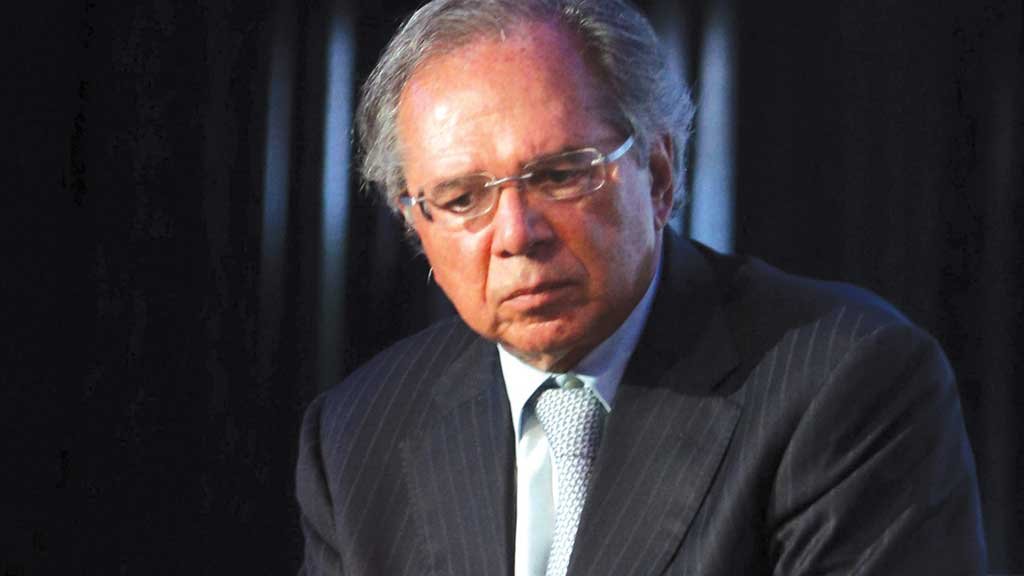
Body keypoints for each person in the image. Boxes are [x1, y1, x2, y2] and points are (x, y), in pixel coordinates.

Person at [295, 0, 987, 574]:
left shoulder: (847, 384)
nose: (516, 234)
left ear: (658, 175)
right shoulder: (357, 438)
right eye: (461, 198)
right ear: (415, 224)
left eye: (560, 175)